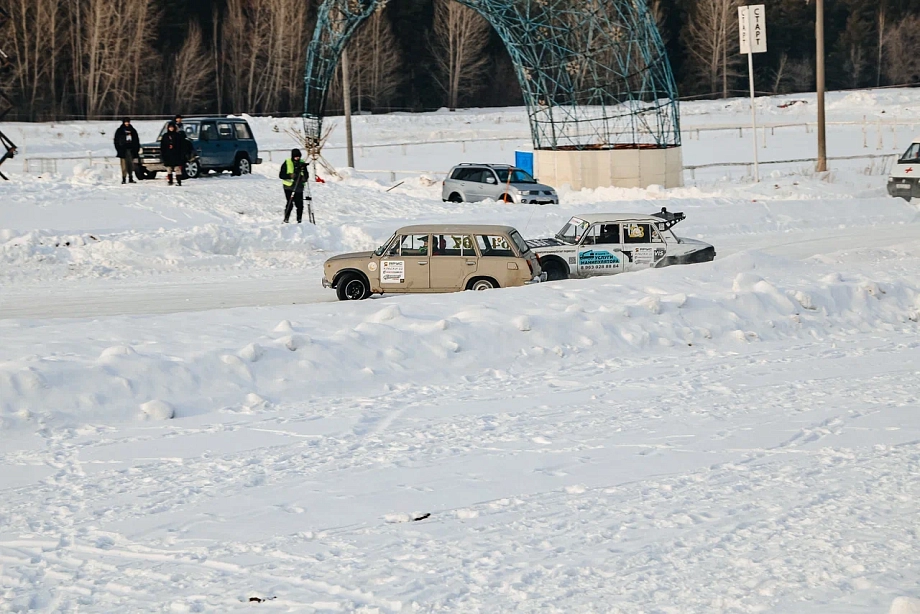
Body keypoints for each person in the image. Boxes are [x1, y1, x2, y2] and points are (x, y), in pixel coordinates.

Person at [279, 148, 309, 223]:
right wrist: (290, 176)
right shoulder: (287, 162)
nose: (297, 158)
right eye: (296, 157)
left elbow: (306, 175)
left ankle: (299, 220)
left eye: (298, 157)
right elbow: (281, 175)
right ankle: (286, 218)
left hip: (299, 187)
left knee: (299, 205)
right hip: (288, 187)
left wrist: (304, 177)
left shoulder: (302, 163)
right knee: (290, 203)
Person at [113, 117, 140, 184]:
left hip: (131, 150)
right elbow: (116, 140)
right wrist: (118, 149)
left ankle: (130, 177)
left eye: (128, 122)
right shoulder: (119, 131)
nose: (127, 123)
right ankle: (124, 178)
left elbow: (136, 140)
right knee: (124, 165)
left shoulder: (133, 130)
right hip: (123, 150)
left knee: (130, 164)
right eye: (126, 122)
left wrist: (136, 149)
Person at [160, 122, 185, 186]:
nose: (171, 128)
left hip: (176, 154)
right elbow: (162, 146)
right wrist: (163, 154)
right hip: (168, 154)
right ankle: (170, 181)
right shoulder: (165, 136)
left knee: (177, 168)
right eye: (170, 127)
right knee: (169, 168)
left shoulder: (178, 135)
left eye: (172, 127)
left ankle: (179, 181)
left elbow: (181, 145)